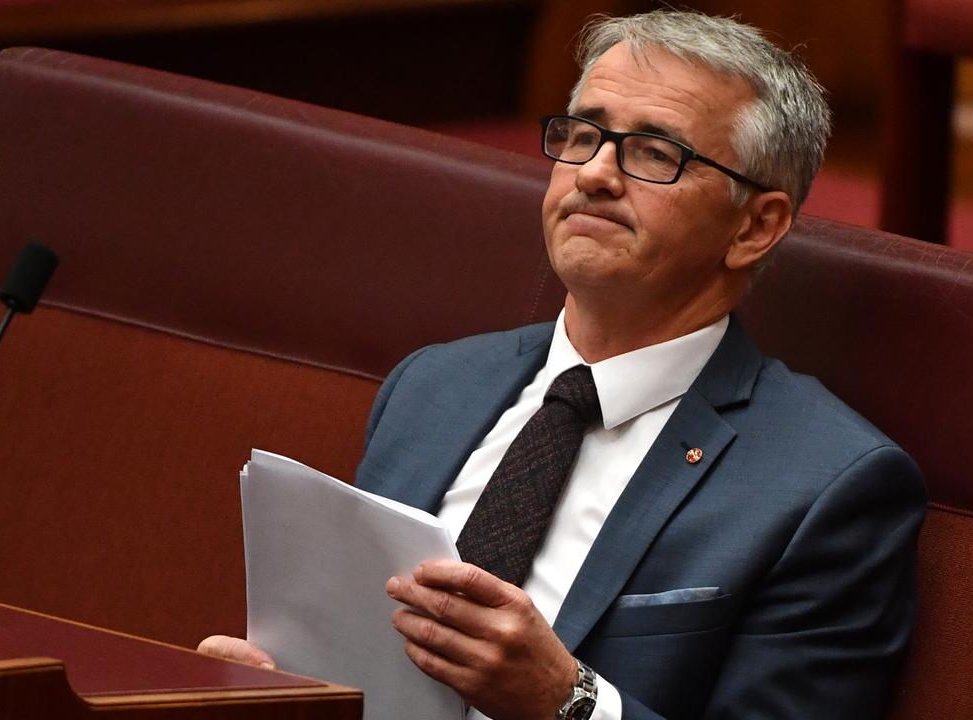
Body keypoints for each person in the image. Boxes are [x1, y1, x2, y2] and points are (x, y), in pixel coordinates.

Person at [200, 10, 925, 720]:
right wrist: (286, 695)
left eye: (652, 152)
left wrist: (565, 703)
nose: (597, 174)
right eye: (583, 136)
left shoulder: (826, 485)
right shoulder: (432, 388)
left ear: (755, 226)